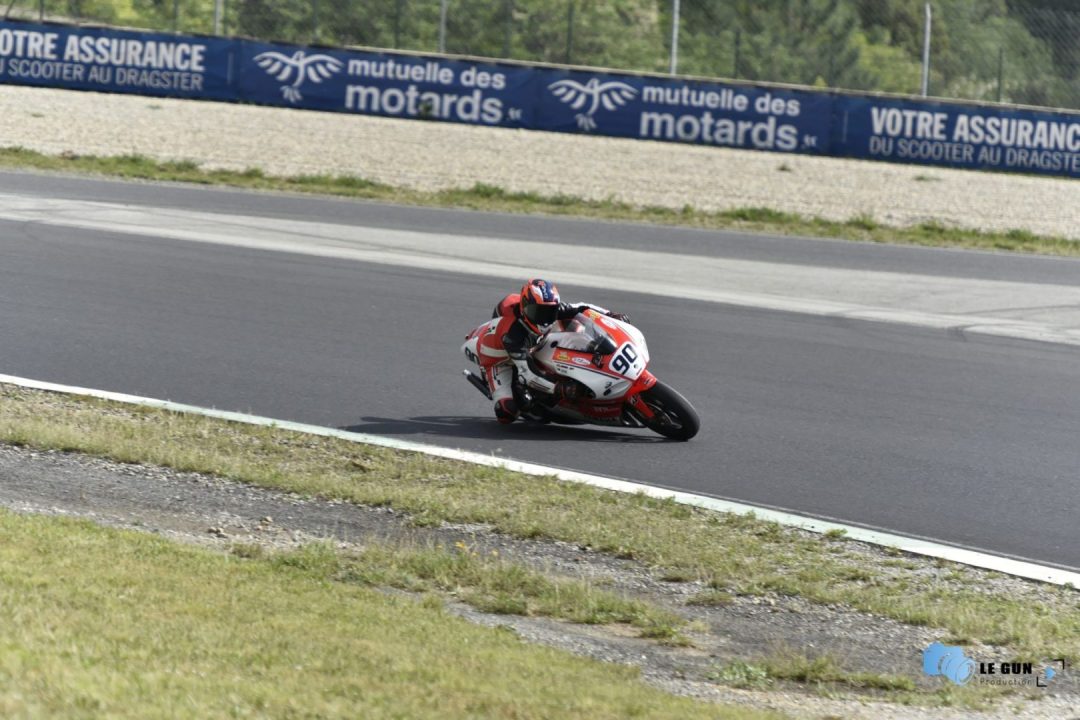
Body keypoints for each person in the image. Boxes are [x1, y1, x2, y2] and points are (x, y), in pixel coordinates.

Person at [485, 278, 629, 424]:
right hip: (503, 360)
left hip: (537, 343)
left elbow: (583, 308)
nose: (544, 319)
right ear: (524, 309)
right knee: (508, 411)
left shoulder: (547, 309)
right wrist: (559, 388)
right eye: (538, 312)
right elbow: (527, 373)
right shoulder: (512, 335)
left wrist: (610, 314)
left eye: (549, 312)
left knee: (577, 328)